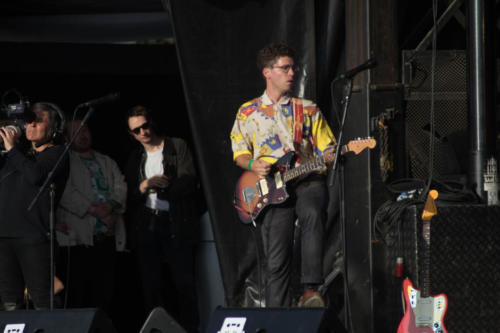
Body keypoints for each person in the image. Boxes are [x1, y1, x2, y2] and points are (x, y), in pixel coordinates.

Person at [230, 42, 336, 307]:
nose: (292, 73)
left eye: (293, 67)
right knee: (276, 259)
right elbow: (239, 152)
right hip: (271, 187)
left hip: (307, 178)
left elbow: (329, 147)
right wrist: (253, 164)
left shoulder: (308, 108)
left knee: (311, 211)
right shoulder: (248, 111)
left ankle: (311, 289)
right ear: (267, 72)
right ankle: (275, 315)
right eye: (285, 68)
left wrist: (333, 154)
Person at [125, 105, 200, 333]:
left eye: (145, 126)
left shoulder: (176, 145)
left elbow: (190, 180)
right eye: (136, 130)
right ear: (132, 135)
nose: (143, 133)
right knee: (152, 285)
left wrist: (164, 187)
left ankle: (190, 329)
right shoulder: (136, 156)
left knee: (184, 284)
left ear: (152, 123)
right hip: (148, 223)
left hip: (176, 221)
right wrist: (146, 185)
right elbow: (128, 193)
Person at [0, 102, 69, 310]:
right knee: (10, 302)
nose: (31, 125)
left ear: (53, 128)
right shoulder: (15, 156)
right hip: (4, 236)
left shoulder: (56, 154)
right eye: (28, 121)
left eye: (38, 121)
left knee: (43, 300)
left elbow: (35, 176)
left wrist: (12, 149)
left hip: (34, 237)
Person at [55, 119, 127, 312]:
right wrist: (96, 211)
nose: (83, 135)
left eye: (85, 129)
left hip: (106, 239)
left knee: (105, 297)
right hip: (78, 241)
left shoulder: (106, 160)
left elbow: (121, 186)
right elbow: (66, 193)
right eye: (76, 132)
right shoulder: (64, 161)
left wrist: (110, 206)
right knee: (78, 297)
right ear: (67, 138)